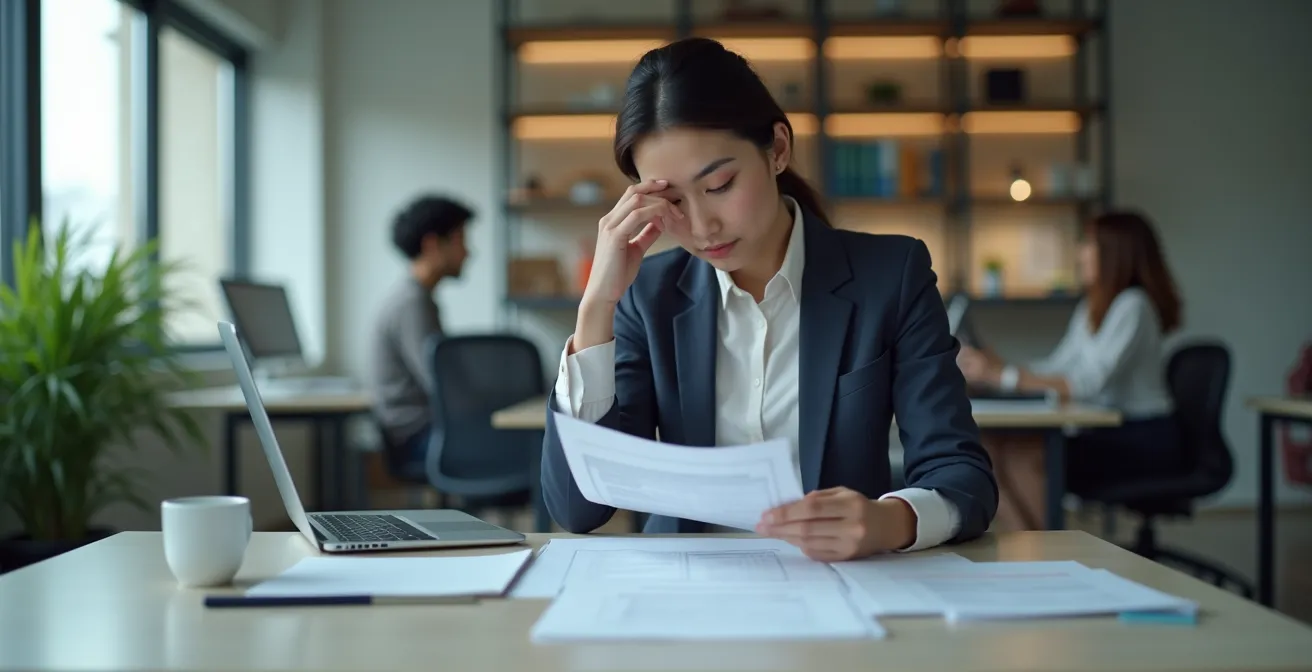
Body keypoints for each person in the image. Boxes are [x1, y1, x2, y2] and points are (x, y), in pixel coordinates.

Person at [539, 37, 997, 562]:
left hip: (841, 583)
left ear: (778, 148)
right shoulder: (649, 296)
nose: (702, 226)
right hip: (687, 589)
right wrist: (597, 305)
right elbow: (577, 509)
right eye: (671, 201)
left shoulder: (889, 276)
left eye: (720, 185)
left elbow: (962, 476)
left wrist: (888, 520)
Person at [956, 211, 1184, 531]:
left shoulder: (1133, 306)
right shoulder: (1093, 306)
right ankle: (1038, 553)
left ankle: (1044, 555)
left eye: (1088, 243)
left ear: (1115, 252)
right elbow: (1058, 367)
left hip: (1142, 439)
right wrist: (1001, 365)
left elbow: (1085, 384)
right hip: (1108, 431)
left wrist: (1000, 376)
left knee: (1026, 454)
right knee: (989, 447)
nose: (1080, 253)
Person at [370, 194, 472, 466]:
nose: (468, 252)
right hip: (418, 437)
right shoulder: (412, 304)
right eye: (460, 240)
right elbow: (440, 382)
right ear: (432, 245)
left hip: (424, 430)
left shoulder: (416, 298)